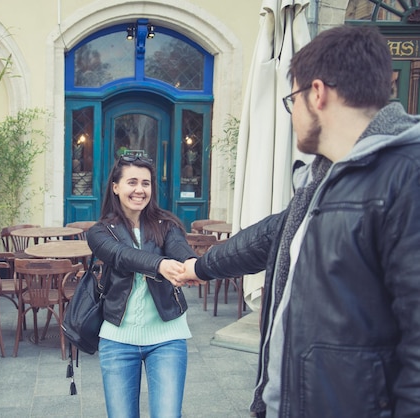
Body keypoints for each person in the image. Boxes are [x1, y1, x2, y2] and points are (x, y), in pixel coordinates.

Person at [178, 25, 420, 418]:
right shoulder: (324, 176)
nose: (291, 116)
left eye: (292, 100)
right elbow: (272, 235)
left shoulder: (407, 175)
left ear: (318, 93)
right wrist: (201, 267)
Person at [86, 155, 201, 418]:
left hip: (168, 338)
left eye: (146, 183)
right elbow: (121, 256)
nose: (140, 190)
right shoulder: (100, 232)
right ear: (115, 186)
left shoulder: (167, 225)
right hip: (118, 339)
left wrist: (193, 264)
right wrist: (160, 265)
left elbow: (180, 250)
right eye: (132, 182)